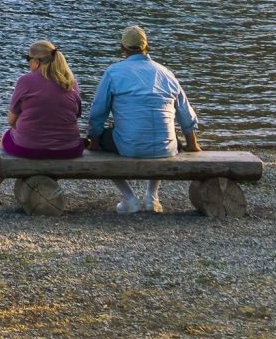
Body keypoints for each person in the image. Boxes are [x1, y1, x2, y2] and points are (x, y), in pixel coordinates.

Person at [82, 24, 200, 214]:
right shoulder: (166, 73)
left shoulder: (113, 72)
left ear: (122, 48)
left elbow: (98, 113)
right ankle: (152, 196)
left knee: (102, 145)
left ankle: (129, 198)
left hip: (129, 145)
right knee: (162, 131)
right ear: (148, 46)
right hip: (167, 147)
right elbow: (185, 114)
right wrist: (193, 144)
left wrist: (94, 139)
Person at [0, 39, 84, 203]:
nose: (28, 63)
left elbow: (11, 120)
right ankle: (45, 181)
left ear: (36, 62)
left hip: (29, 148)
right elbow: (75, 115)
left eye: (28, 59)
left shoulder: (25, 81)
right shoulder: (71, 83)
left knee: (6, 136)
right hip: (69, 148)